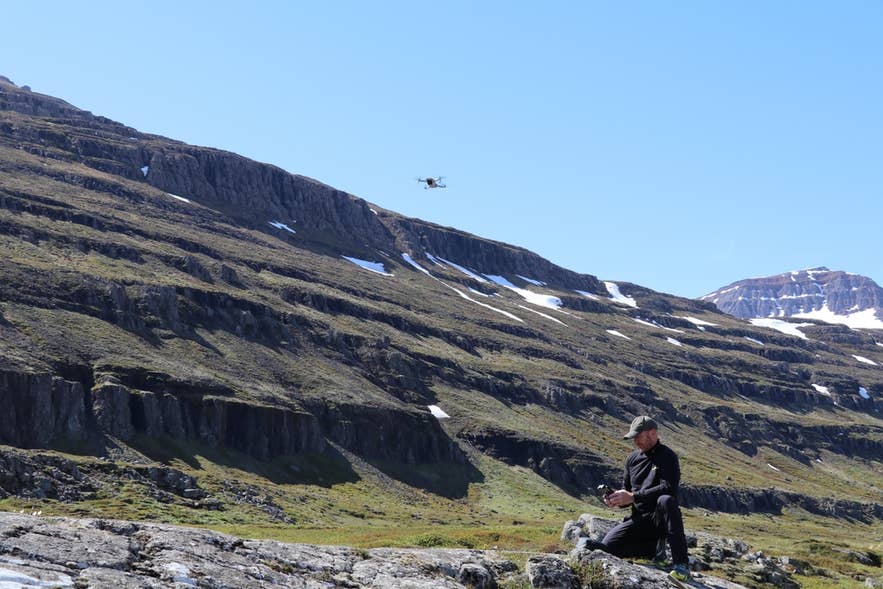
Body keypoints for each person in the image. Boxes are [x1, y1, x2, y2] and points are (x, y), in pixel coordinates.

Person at [595, 415, 692, 584]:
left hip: (660, 518)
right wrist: (617, 500)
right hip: (639, 519)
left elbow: (668, 487)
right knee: (607, 547)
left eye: (638, 437)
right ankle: (653, 550)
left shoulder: (668, 456)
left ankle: (681, 565)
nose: (635, 442)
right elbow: (627, 491)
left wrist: (633, 497)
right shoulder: (632, 460)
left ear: (652, 433)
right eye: (633, 438)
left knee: (666, 500)